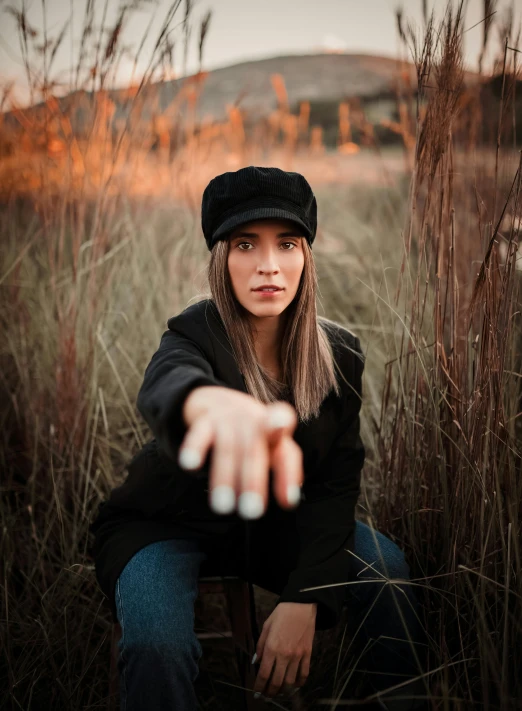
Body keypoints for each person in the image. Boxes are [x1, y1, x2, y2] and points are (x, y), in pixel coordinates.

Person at [89, 166, 429, 710]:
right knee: (156, 642)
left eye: (286, 244)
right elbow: (167, 386)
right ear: (221, 258)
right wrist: (207, 404)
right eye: (246, 244)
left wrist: (305, 598)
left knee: (385, 572)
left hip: (275, 524)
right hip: (166, 524)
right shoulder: (191, 335)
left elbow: (336, 487)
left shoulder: (339, 355)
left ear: (305, 258)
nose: (268, 265)